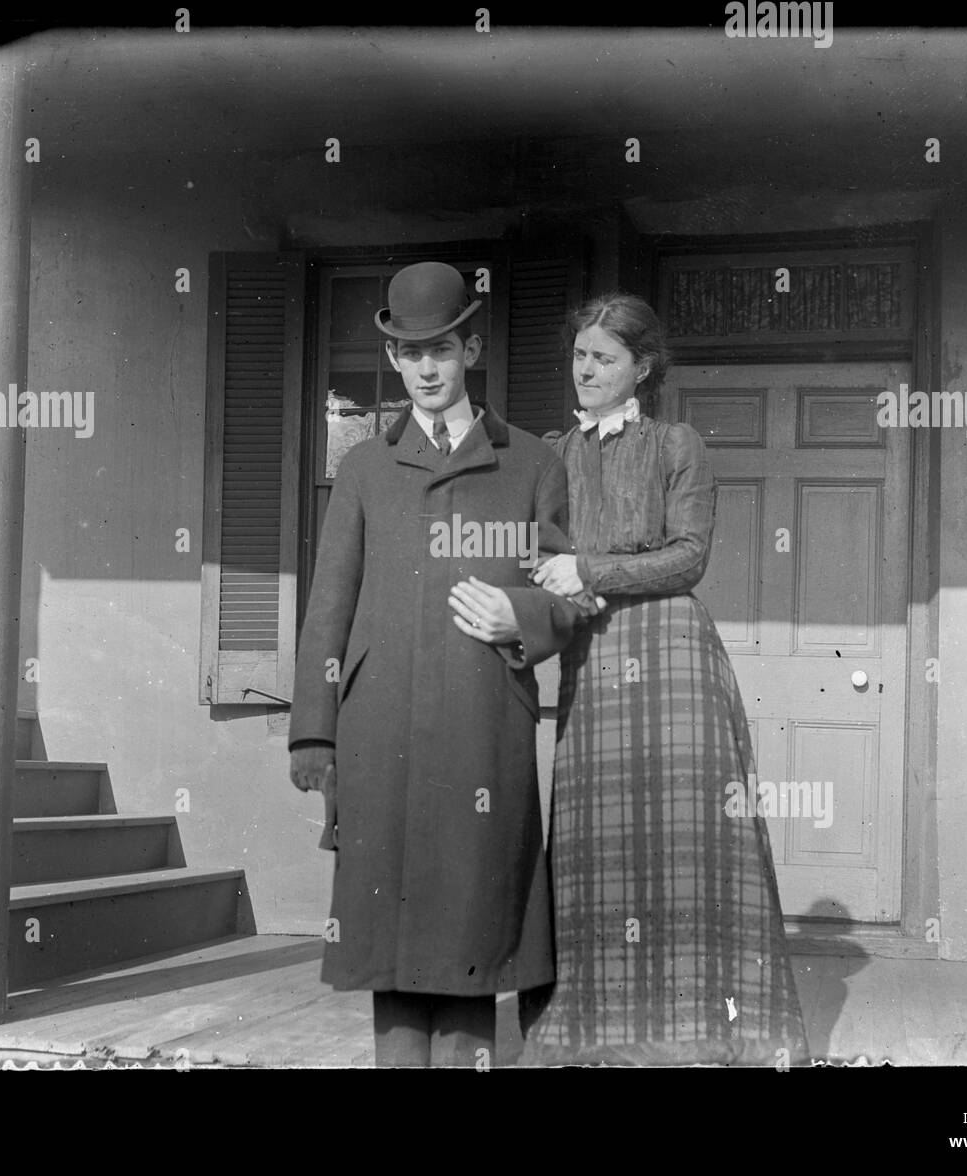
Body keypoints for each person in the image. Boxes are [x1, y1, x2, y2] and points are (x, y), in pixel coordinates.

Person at [287, 261, 601, 1067]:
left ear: (470, 349)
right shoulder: (362, 470)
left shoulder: (533, 465)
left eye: (442, 351)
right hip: (378, 728)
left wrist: (520, 615)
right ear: (394, 360)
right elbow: (329, 605)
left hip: (480, 729)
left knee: (471, 934)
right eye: (409, 354)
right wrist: (314, 738)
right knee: (390, 943)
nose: (426, 369)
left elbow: (567, 595)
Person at [490, 291, 808, 1065]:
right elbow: (536, 556)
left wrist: (590, 568)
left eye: (605, 358)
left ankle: (710, 1034)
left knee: (690, 844)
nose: (587, 369)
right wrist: (548, 584)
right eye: (579, 356)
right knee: (594, 845)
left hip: (672, 658)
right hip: (591, 658)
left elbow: (688, 556)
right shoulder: (553, 453)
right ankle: (588, 1034)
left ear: (643, 368)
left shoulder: (677, 444)